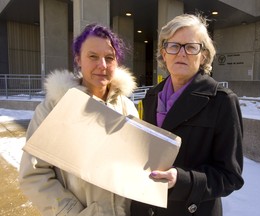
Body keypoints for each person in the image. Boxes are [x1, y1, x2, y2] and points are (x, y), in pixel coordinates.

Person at [130, 14, 244, 216]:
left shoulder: (222, 101)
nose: (181, 53)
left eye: (191, 47)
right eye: (173, 45)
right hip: (147, 207)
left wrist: (182, 180)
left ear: (204, 56)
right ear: (164, 53)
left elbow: (230, 177)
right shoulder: (151, 96)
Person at [19, 24, 139, 215]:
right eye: (93, 56)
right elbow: (33, 174)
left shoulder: (127, 107)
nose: (102, 65)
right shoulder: (55, 107)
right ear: (78, 60)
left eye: (109, 58)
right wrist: (71, 211)